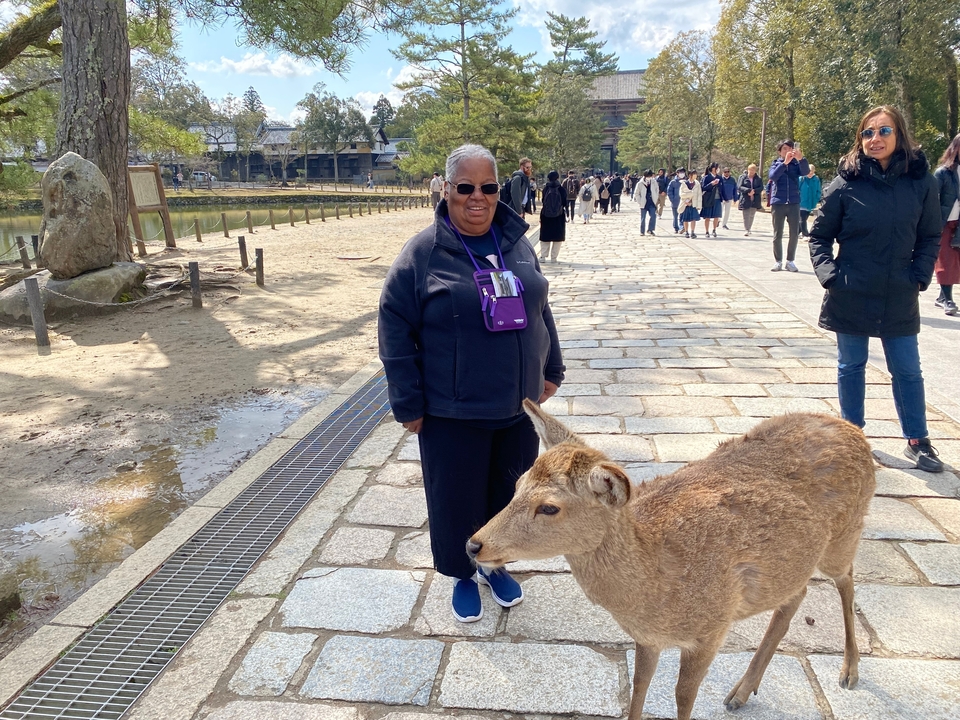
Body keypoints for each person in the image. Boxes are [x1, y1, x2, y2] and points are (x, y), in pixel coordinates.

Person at [379, 143, 565, 622]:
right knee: (456, 497)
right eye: (466, 187)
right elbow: (394, 326)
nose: (477, 197)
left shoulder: (517, 242)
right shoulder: (422, 253)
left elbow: (540, 309)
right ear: (447, 190)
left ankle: (495, 562)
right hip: (452, 410)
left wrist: (552, 368)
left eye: (488, 187)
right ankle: (463, 573)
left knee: (508, 498)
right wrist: (408, 402)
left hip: (517, 407)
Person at [808, 105, 943, 473]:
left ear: (899, 134)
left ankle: (918, 439)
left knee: (908, 369)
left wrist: (918, 274)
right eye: (868, 133)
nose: (875, 139)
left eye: (884, 131)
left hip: (899, 290)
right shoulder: (846, 182)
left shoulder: (921, 182)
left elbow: (931, 234)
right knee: (851, 365)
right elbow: (819, 235)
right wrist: (830, 275)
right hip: (851, 289)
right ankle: (853, 437)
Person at [768, 139, 810, 271]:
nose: (787, 151)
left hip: (793, 202)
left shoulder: (796, 165)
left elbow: (805, 172)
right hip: (778, 202)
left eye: (790, 148)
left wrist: (801, 159)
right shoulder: (775, 164)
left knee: (793, 233)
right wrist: (784, 163)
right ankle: (778, 261)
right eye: (785, 149)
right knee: (777, 233)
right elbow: (773, 176)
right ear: (779, 151)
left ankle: (790, 260)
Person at [933, 134, 960, 316]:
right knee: (945, 261)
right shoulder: (943, 173)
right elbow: (932, 200)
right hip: (944, 222)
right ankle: (946, 298)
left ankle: (942, 297)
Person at [538, 170, 568, 262]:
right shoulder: (561, 189)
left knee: (545, 236)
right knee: (557, 237)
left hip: (546, 215)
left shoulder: (546, 189)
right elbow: (564, 202)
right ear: (558, 177)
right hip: (559, 215)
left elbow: (543, 201)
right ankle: (554, 257)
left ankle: (543, 256)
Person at [738, 164, 763, 236]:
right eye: (750, 170)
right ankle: (746, 229)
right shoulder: (743, 177)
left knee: (751, 215)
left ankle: (749, 228)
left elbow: (761, 187)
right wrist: (748, 190)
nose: (752, 172)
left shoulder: (758, 178)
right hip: (745, 198)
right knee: (746, 214)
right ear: (748, 170)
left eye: (753, 170)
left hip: (755, 198)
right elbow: (739, 187)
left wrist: (754, 191)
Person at [699, 162, 723, 237]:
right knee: (707, 216)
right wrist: (711, 184)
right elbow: (703, 188)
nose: (717, 169)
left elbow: (722, 188)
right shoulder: (706, 177)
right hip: (709, 199)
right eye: (716, 167)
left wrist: (725, 198)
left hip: (717, 199)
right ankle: (706, 231)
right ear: (712, 168)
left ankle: (714, 230)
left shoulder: (719, 177)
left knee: (716, 216)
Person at [798, 165, 822, 238]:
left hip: (811, 202)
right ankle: (805, 234)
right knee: (802, 219)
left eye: (811, 172)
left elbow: (818, 190)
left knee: (804, 218)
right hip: (801, 202)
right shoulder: (801, 178)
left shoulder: (816, 179)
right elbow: (797, 189)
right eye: (809, 172)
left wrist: (817, 198)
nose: (810, 174)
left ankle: (796, 232)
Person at [679, 169, 702, 238]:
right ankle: (686, 232)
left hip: (694, 203)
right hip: (686, 203)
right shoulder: (684, 183)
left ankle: (692, 232)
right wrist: (688, 197)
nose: (695, 175)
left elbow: (699, 194)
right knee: (685, 219)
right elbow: (681, 194)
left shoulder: (697, 184)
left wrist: (699, 204)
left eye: (695, 174)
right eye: (693, 174)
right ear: (690, 175)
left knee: (693, 219)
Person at [635, 169, 658, 236]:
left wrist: (655, 198)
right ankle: (642, 231)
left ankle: (650, 229)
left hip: (651, 201)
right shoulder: (640, 183)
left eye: (650, 176)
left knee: (653, 216)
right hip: (643, 202)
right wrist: (640, 201)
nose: (649, 177)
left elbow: (657, 190)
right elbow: (637, 193)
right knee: (643, 218)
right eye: (648, 176)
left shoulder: (654, 182)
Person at [667, 168, 684, 234]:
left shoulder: (685, 181)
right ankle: (676, 228)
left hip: (683, 202)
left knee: (682, 216)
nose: (682, 174)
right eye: (680, 172)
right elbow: (669, 191)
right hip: (675, 202)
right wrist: (672, 199)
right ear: (677, 173)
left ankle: (681, 227)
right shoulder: (673, 182)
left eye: (683, 172)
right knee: (675, 216)